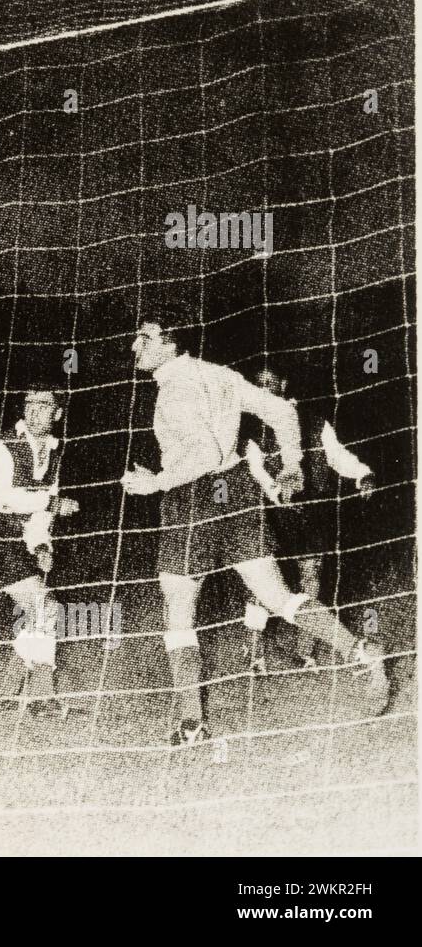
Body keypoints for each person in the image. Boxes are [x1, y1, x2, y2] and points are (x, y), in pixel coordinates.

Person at [120, 312, 389, 746]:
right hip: (237, 490)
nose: (135, 346)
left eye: (144, 338)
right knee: (277, 596)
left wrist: (155, 483)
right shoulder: (220, 374)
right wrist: (292, 465)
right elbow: (282, 411)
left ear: (171, 344)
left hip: (193, 498)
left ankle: (191, 723)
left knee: (179, 607)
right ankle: (359, 650)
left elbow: (204, 454)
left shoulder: (175, 387)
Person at [240, 366, 376, 672]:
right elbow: (257, 471)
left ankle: (306, 651)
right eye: (257, 384)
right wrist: (277, 490)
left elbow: (337, 455)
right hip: (271, 515)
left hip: (310, 512)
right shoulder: (253, 433)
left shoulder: (316, 423)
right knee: (259, 586)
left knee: (310, 574)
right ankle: (254, 654)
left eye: (269, 383)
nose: (264, 389)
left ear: (283, 383)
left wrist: (363, 474)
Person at [0, 389, 80, 715]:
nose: (35, 412)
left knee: (40, 612)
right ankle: (40, 697)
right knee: (45, 607)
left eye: (44, 405)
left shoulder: (53, 452)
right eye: (30, 405)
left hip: (18, 539)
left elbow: (42, 514)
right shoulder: (3, 447)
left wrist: (41, 544)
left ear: (58, 414)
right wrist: (50, 502)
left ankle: (9, 693)